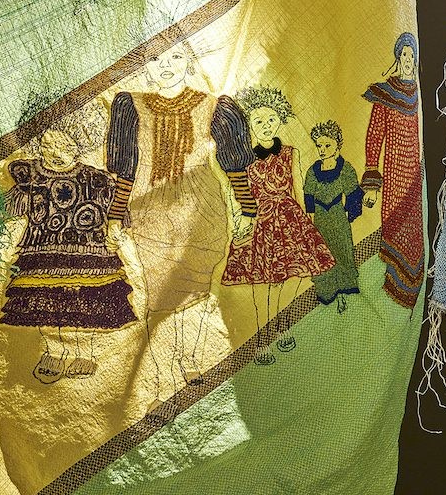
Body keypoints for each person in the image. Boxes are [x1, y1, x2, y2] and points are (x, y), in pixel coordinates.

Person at [105, 37, 250, 383]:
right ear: (145, 65)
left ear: (189, 60)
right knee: (157, 295)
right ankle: (159, 371)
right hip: (150, 216)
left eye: (175, 55)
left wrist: (247, 208)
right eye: (155, 57)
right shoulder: (130, 106)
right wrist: (114, 214)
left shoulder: (214, 106)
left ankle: (191, 358)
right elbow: (125, 167)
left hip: (202, 212)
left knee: (198, 288)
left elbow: (234, 165)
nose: (165, 64)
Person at [0, 116, 136, 383]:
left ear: (79, 145)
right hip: (41, 251)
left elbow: (119, 213)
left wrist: (117, 230)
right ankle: (54, 351)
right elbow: (10, 206)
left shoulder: (96, 179)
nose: (56, 152)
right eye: (48, 145)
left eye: (64, 145)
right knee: (50, 304)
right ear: (38, 146)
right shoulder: (31, 175)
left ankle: (86, 352)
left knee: (91, 303)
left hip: (91, 253)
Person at [221, 85, 335, 363]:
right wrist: (239, 221)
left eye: (271, 119)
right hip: (259, 222)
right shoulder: (243, 158)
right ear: (248, 123)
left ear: (280, 119)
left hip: (289, 220)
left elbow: (298, 188)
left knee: (291, 279)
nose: (266, 125)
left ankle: (281, 327)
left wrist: (306, 224)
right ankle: (262, 338)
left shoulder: (290, 152)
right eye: (258, 120)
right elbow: (235, 192)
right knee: (264, 286)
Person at [361, 32, 425, 309]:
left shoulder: (416, 92)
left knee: (413, 233)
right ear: (398, 59)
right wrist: (372, 183)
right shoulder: (386, 93)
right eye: (404, 56)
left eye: (412, 56)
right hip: (395, 177)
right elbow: (374, 136)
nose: (409, 61)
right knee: (395, 230)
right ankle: (392, 288)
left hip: (414, 177)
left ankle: (409, 293)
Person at [302, 120, 365, 312]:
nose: (322, 149)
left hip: (338, 217)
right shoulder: (313, 171)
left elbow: (354, 194)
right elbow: (308, 197)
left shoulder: (345, 169)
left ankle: (346, 292)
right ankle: (328, 294)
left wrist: (349, 213)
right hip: (320, 220)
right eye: (319, 145)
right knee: (323, 256)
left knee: (342, 252)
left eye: (327, 145)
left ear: (338, 144)